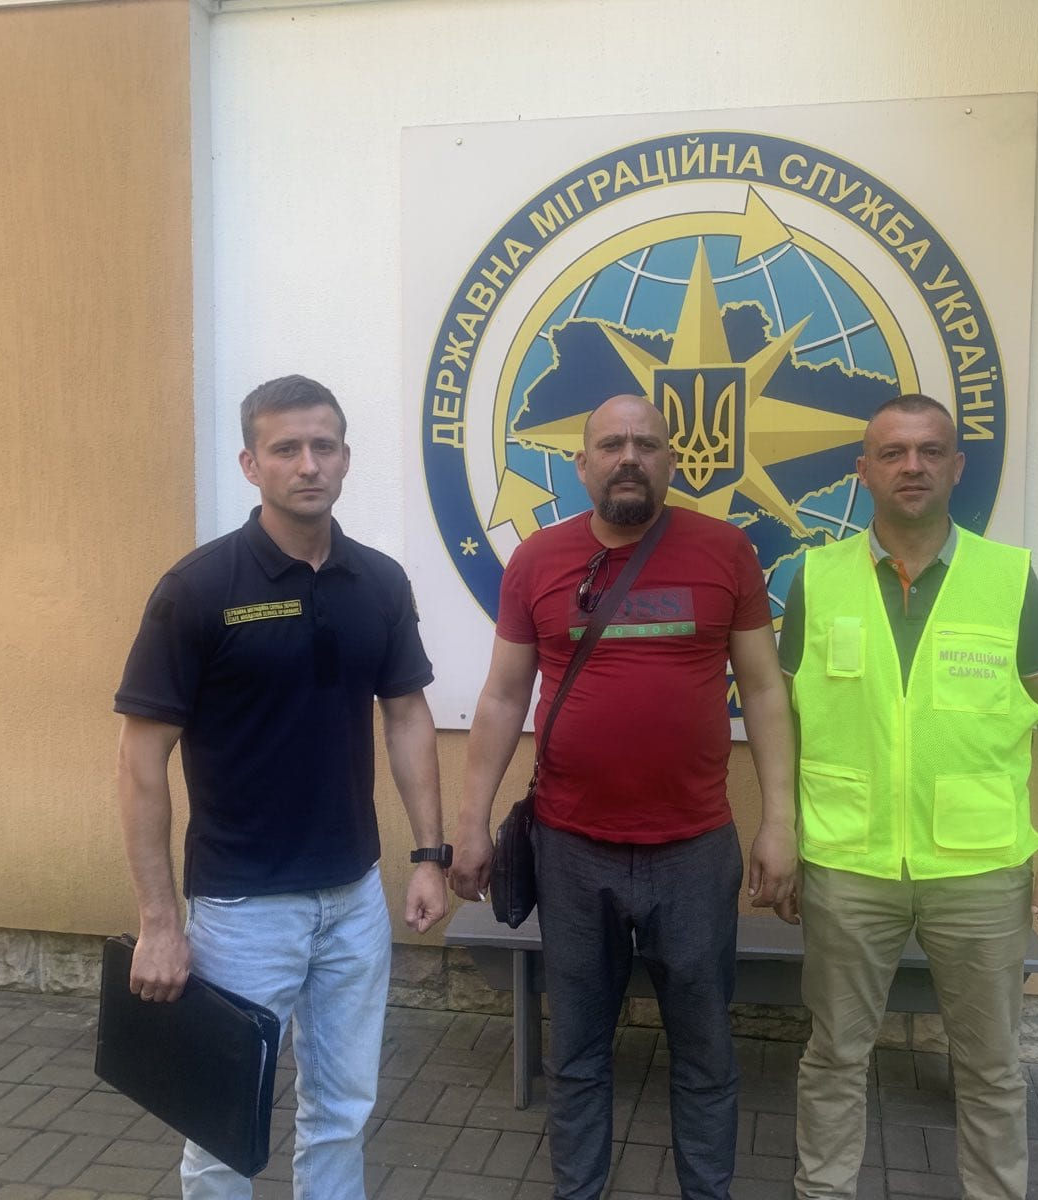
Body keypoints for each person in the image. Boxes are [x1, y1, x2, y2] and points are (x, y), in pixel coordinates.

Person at [448, 393, 797, 1200]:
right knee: (576, 1053)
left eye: (646, 443)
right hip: (572, 849)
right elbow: (502, 697)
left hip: (694, 850)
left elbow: (764, 691)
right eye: (610, 444)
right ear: (582, 464)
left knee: (705, 1051)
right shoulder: (537, 560)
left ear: (673, 460)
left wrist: (780, 820)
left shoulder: (726, 551)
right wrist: (471, 823)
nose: (629, 457)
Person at [113, 374, 450, 1200]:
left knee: (342, 1112)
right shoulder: (197, 590)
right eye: (286, 448)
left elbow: (408, 717)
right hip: (241, 911)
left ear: (345, 458)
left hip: (353, 900)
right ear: (250, 464)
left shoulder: (379, 583)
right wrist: (159, 922)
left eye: (323, 446)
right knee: (221, 1123)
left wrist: (430, 856)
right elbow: (140, 762)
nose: (308, 464)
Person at [784, 393, 1038, 1200]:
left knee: (990, 1067)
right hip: (847, 860)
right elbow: (783, 717)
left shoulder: (1006, 578)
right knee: (834, 1056)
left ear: (957, 467)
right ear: (864, 471)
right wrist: (778, 829)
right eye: (892, 452)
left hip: (979, 867)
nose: (911, 466)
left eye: (929, 451)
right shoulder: (815, 578)